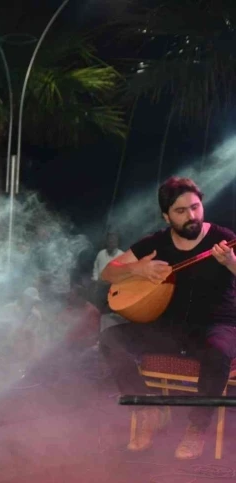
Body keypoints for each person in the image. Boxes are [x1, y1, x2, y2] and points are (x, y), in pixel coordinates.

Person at [99, 176, 236, 460]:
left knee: (219, 351)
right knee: (111, 339)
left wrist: (231, 263)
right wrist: (137, 269)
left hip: (215, 326)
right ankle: (149, 409)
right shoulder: (157, 242)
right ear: (166, 216)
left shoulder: (223, 238)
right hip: (169, 327)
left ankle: (197, 427)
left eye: (195, 207)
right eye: (181, 211)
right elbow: (108, 272)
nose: (192, 216)